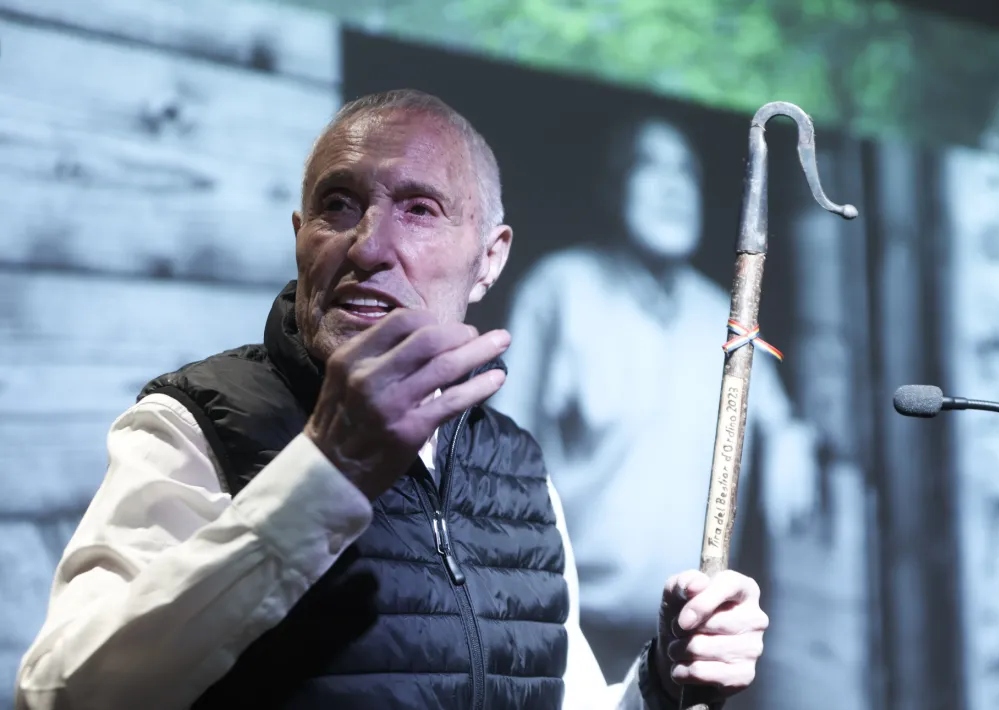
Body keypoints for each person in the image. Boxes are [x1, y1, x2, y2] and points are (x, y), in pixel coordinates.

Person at [14, 90, 769, 710]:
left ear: (489, 260)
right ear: (300, 237)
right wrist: (322, 474)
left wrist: (659, 682)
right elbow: (60, 695)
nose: (369, 246)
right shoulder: (195, 423)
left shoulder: (517, 468)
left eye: (419, 209)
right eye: (338, 205)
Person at [493, 116, 817, 680]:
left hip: (689, 640)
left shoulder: (724, 313)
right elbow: (498, 449)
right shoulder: (559, 289)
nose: (673, 187)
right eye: (650, 167)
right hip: (565, 630)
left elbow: (779, 414)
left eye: (686, 172)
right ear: (612, 187)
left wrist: (792, 437)